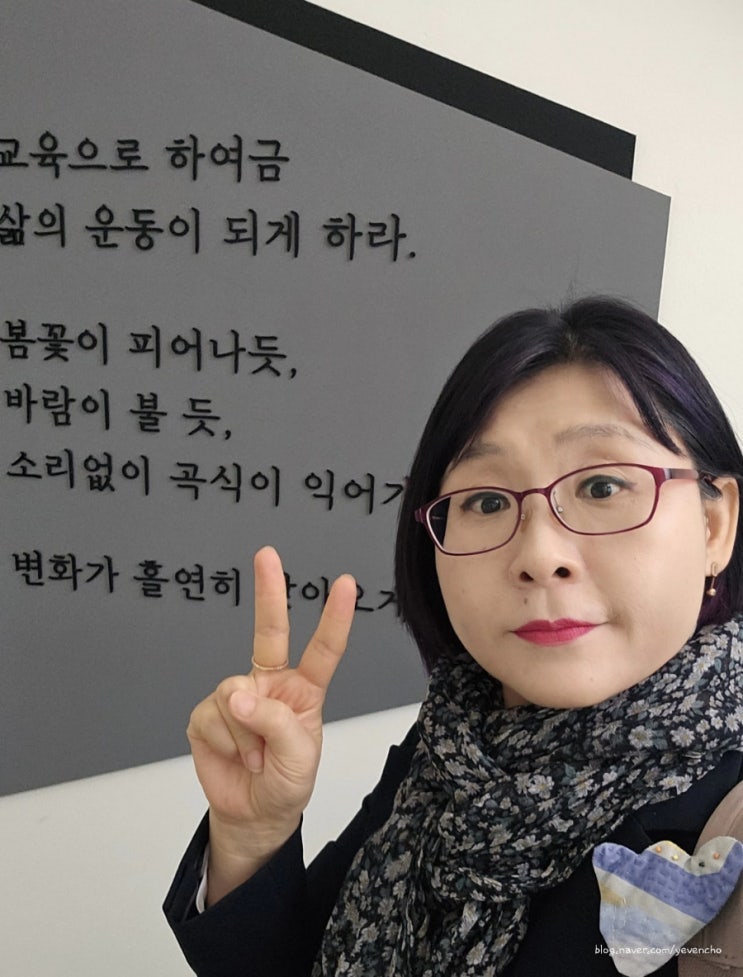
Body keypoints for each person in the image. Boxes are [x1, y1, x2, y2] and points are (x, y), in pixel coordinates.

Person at [163, 297, 743, 977]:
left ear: (714, 526)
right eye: (487, 501)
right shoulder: (449, 746)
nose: (539, 554)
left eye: (602, 486)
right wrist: (253, 836)